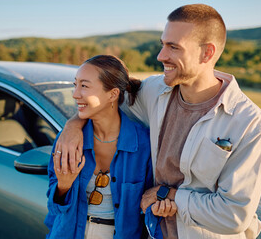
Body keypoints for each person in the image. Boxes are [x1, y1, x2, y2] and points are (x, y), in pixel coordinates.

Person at [53, 4, 261, 239]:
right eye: (163, 44)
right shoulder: (154, 92)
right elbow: (103, 102)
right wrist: (72, 126)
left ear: (207, 53)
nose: (161, 56)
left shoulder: (247, 122)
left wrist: (169, 194)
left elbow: (234, 215)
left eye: (173, 47)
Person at [44, 55, 171, 239]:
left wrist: (161, 205)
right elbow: (54, 207)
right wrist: (63, 185)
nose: (75, 94)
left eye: (84, 86)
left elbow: (148, 209)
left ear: (112, 94)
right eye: (76, 84)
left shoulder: (143, 144)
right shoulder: (67, 140)